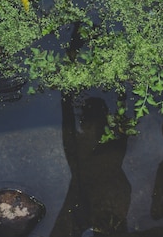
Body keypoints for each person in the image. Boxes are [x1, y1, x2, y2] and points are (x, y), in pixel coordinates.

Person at [50, 95, 131, 236]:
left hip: (99, 197)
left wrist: (66, 99)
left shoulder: (109, 144)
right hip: (92, 197)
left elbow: (68, 123)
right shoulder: (81, 144)